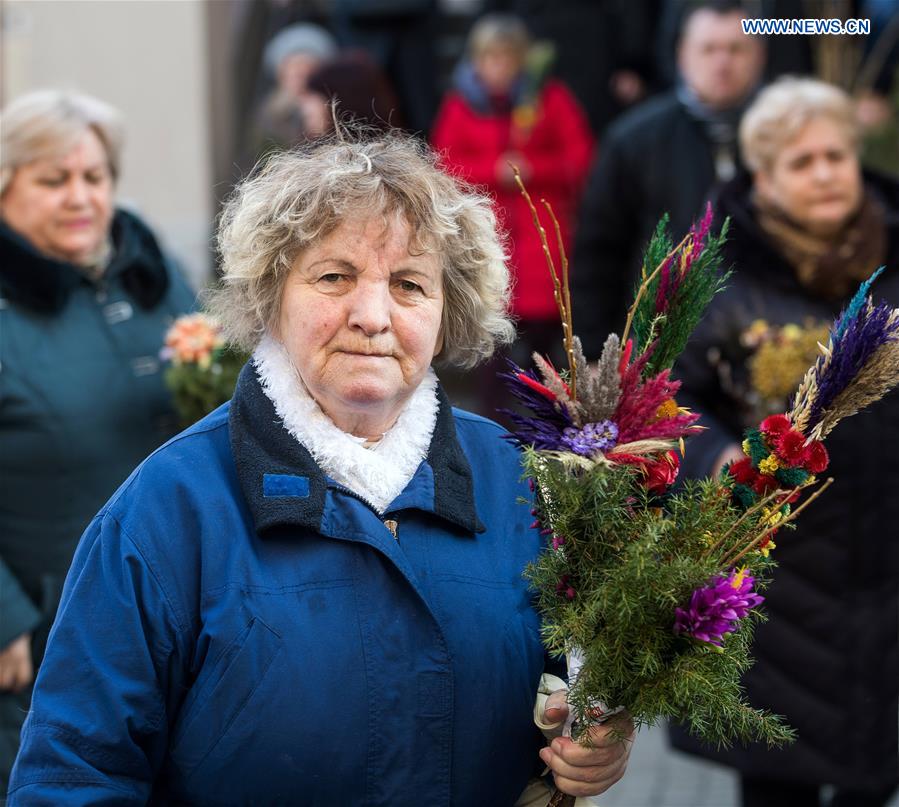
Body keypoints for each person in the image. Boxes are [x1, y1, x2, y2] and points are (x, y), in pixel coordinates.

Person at [7, 132, 633, 805]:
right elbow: (75, 774)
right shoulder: (169, 507)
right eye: (334, 276)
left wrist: (591, 743)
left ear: (447, 311)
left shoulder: (516, 481)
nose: (371, 316)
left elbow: (568, 678)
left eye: (408, 284)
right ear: (271, 295)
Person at [669, 77, 899, 807]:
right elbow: (669, 400)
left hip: (887, 567)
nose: (826, 173)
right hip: (777, 578)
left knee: (876, 768)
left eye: (836, 155)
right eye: (802, 162)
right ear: (763, 178)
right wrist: (718, 458)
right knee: (776, 778)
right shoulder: (718, 274)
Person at [0, 89, 196, 795]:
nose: (80, 197)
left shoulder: (153, 273)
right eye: (54, 180)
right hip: (46, 631)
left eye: (95, 176)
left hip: (176, 600)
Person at [572, 0, 765, 356]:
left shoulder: (783, 136)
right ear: (682, 55)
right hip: (658, 347)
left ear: (759, 56)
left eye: (736, 49)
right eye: (709, 49)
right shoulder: (634, 140)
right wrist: (596, 352)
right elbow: (597, 256)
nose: (722, 62)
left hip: (768, 341)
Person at [431, 13, 593, 408]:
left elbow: (581, 159)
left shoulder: (550, 99)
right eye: (491, 58)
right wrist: (494, 170)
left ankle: (551, 423)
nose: (500, 68)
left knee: (547, 349)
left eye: (508, 58)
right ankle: (496, 426)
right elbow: (443, 167)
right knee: (492, 351)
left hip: (542, 240)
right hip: (488, 241)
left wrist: (532, 169)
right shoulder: (460, 106)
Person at [250, 22, 339, 158]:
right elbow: (266, 154)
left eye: (308, 69)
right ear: (281, 74)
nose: (301, 76)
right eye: (295, 69)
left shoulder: (333, 105)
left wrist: (323, 129)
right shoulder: (271, 111)